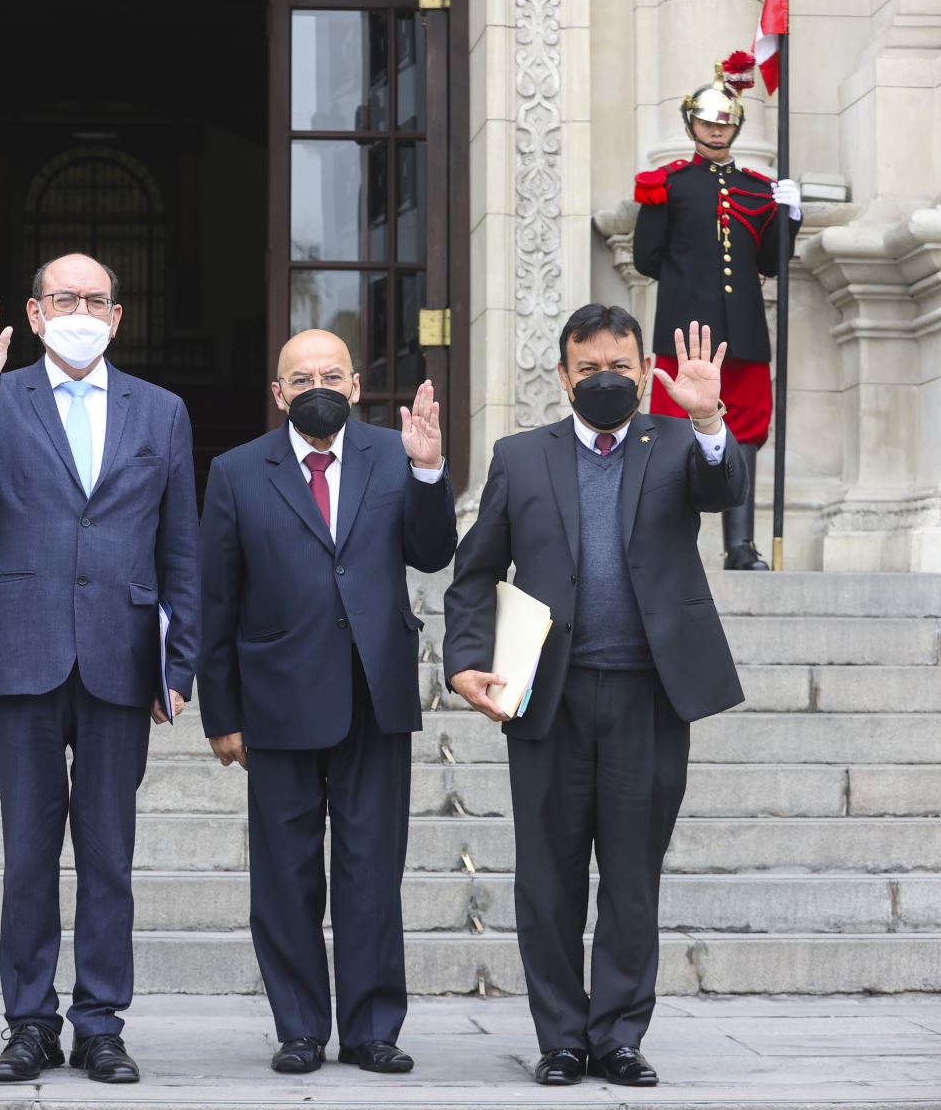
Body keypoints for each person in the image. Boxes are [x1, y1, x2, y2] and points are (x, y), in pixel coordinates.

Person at [443, 304, 748, 1089]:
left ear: (645, 372)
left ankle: (617, 1036)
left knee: (632, 873)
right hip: (551, 697)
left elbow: (723, 489)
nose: (605, 379)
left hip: (650, 695)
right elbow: (476, 569)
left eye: (621, 366)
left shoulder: (679, 442)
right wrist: (465, 660)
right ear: (563, 377)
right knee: (546, 878)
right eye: (589, 369)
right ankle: (562, 1039)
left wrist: (711, 415)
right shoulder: (520, 457)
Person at [0, 255, 199, 1086]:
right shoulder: (0, 396)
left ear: (117, 318)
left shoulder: (161, 412)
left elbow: (180, 544)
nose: (79, 310)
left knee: (110, 852)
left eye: (94, 300)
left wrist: (179, 658)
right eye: (62, 298)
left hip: (123, 654)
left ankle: (101, 1022)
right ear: (34, 314)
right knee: (29, 852)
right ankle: (28, 1022)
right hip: (25, 649)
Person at [198, 330, 454, 1076]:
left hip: (374, 694)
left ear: (355, 384)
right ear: (279, 392)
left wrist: (431, 468)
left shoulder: (392, 454)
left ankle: (373, 1028)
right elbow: (218, 598)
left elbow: (432, 552)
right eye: (301, 375)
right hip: (275, 698)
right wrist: (223, 712)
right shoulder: (238, 471)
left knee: (373, 869)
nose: (318, 383)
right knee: (285, 877)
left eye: (331, 373)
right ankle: (301, 1027)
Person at [633, 57, 800, 569]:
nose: (715, 130)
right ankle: (670, 545)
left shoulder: (757, 188)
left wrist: (790, 215)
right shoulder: (670, 183)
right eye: (707, 122)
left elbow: (775, 260)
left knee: (745, 431)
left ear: (736, 127)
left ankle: (740, 546)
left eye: (724, 122)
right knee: (673, 433)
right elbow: (645, 258)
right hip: (685, 331)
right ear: (691, 125)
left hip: (744, 331)